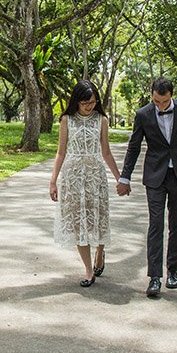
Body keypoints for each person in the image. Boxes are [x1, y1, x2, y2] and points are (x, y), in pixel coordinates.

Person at [118, 77, 177, 298]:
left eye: (164, 101)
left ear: (171, 96)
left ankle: (173, 270)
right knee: (156, 224)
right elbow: (134, 147)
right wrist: (125, 177)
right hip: (155, 176)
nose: (160, 106)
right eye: (156, 101)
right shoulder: (142, 114)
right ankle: (154, 277)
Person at [49, 80, 122, 287]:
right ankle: (89, 270)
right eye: (84, 103)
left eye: (92, 102)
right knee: (78, 222)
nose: (89, 106)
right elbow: (61, 152)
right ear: (76, 102)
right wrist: (53, 181)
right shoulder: (66, 120)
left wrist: (120, 178)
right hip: (72, 176)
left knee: (96, 219)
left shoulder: (102, 120)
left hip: (95, 175)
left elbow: (106, 152)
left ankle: (100, 251)